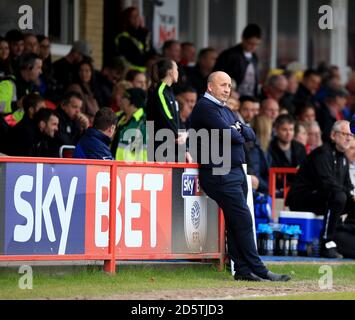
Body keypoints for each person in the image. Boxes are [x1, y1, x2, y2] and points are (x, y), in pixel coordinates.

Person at [190, 71, 290, 282]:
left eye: (229, 85)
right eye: (222, 85)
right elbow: (233, 135)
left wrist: (238, 129)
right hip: (219, 172)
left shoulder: (224, 109)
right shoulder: (204, 107)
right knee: (244, 220)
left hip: (236, 171)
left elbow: (250, 135)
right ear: (210, 87)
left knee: (237, 221)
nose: (227, 89)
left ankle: (243, 270)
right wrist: (238, 130)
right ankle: (259, 268)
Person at [286, 120, 355, 258]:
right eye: (344, 134)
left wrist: (352, 195)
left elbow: (347, 185)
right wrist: (348, 194)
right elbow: (327, 184)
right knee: (339, 196)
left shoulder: (343, 158)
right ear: (333, 135)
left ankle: (347, 232)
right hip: (302, 199)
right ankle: (326, 242)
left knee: (348, 198)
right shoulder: (322, 153)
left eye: (351, 135)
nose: (348, 138)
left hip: (323, 197)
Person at [146, 58, 190, 163]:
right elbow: (167, 118)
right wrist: (179, 137)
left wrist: (185, 147)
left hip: (173, 147)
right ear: (170, 72)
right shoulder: (160, 92)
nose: (178, 72)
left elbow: (178, 121)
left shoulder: (170, 93)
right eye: (177, 69)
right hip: (160, 147)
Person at [214, 24, 262, 97]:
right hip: (233, 96)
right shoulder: (229, 55)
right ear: (243, 39)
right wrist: (230, 91)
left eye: (256, 44)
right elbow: (218, 76)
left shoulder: (254, 57)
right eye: (250, 43)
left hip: (251, 96)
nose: (253, 47)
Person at [110, 88, 147, 161]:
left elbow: (146, 153)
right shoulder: (118, 116)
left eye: (124, 97)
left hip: (131, 169)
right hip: (113, 164)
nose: (121, 99)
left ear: (132, 101)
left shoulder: (145, 121)